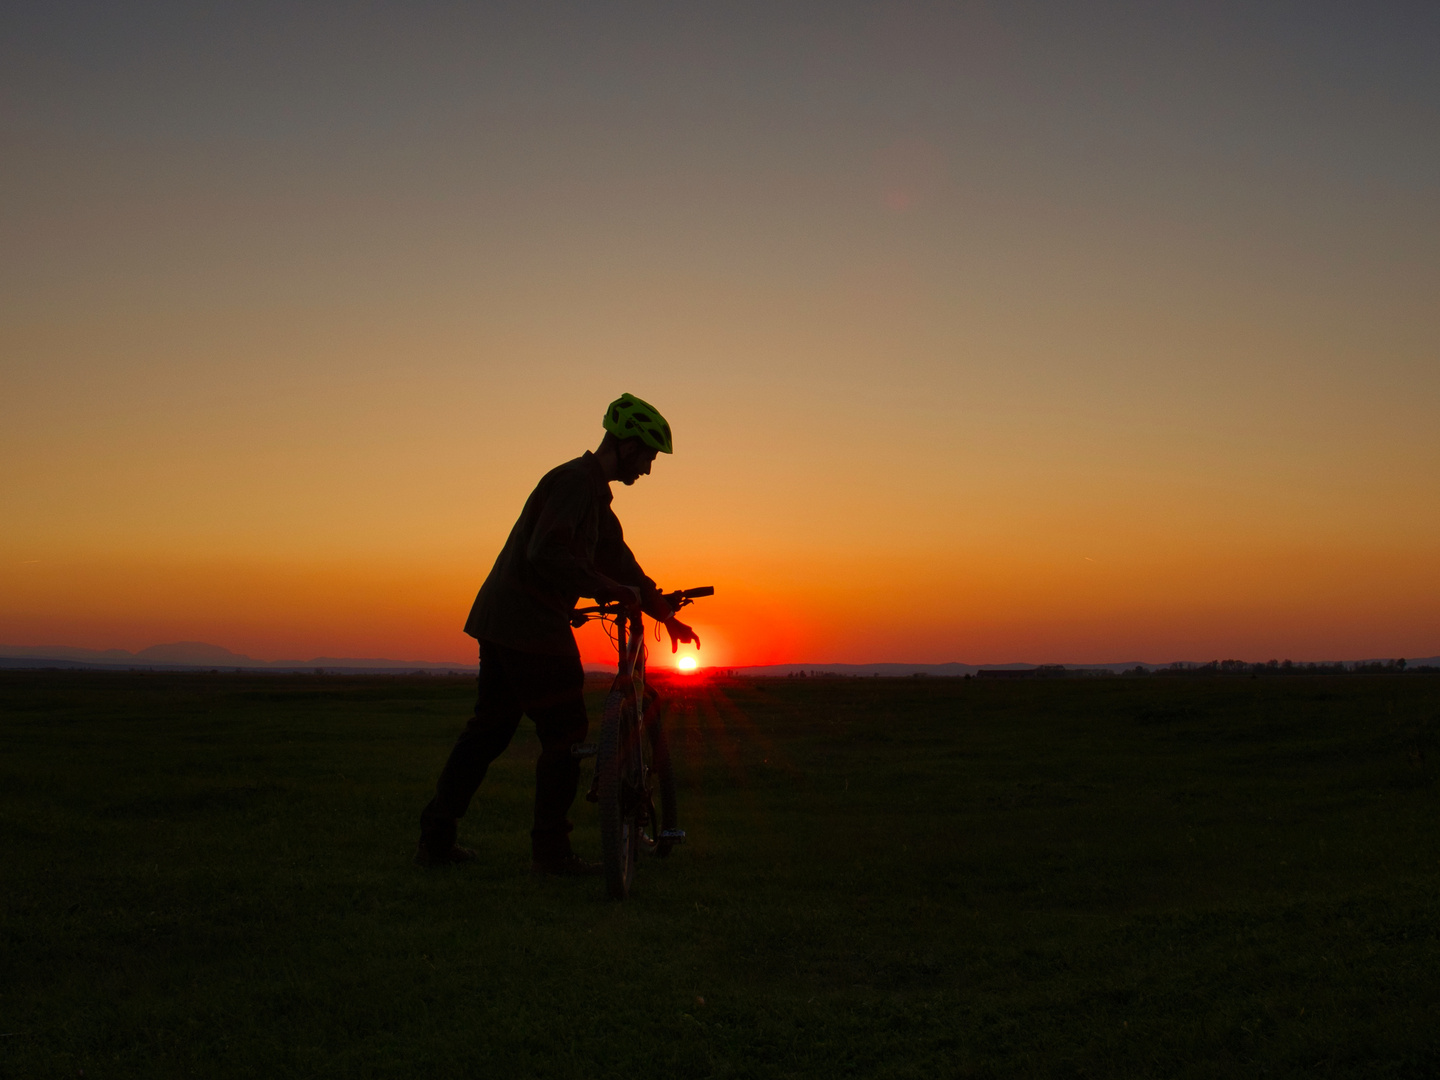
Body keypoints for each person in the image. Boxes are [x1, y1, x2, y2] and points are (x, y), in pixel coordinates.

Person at [417, 393, 701, 875]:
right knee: (566, 733)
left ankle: (436, 841)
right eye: (649, 456)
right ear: (627, 444)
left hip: (505, 621)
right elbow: (546, 552)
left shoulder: (593, 496)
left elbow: (618, 559)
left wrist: (661, 612)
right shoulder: (572, 483)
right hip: (530, 625)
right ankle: (551, 854)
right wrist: (609, 588)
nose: (649, 469)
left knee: (488, 733)